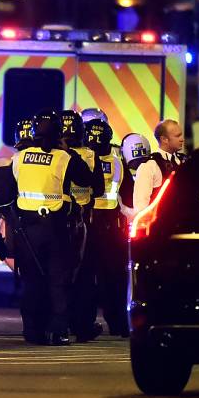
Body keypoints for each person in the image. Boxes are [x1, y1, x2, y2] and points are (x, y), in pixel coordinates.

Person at [11, 110, 101, 345]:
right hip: (55, 227)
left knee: (31, 281)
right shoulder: (63, 158)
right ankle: (58, 330)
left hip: (27, 228)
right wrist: (68, 150)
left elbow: (9, 189)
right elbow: (87, 181)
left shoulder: (20, 157)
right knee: (57, 281)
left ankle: (32, 331)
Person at [59, 110, 105, 342]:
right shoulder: (89, 155)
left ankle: (60, 323)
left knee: (59, 275)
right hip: (83, 223)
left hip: (57, 222)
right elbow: (98, 188)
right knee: (85, 277)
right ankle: (83, 325)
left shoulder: (55, 155)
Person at [83, 119, 129, 337]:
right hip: (111, 226)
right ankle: (118, 324)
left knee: (84, 277)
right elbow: (127, 192)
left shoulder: (82, 159)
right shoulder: (117, 161)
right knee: (113, 279)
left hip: (86, 223)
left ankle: (84, 323)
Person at [133, 119, 186, 213]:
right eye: (177, 136)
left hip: (186, 223)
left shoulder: (184, 162)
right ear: (164, 139)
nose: (182, 139)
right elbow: (141, 205)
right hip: (162, 224)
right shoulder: (149, 166)